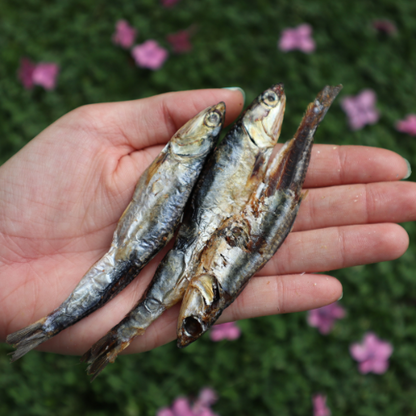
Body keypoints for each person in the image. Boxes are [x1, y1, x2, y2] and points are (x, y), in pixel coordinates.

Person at [0, 88, 414, 356]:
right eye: (268, 104)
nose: (272, 108)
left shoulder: (250, 152)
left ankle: (81, 333)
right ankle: (69, 330)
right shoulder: (229, 146)